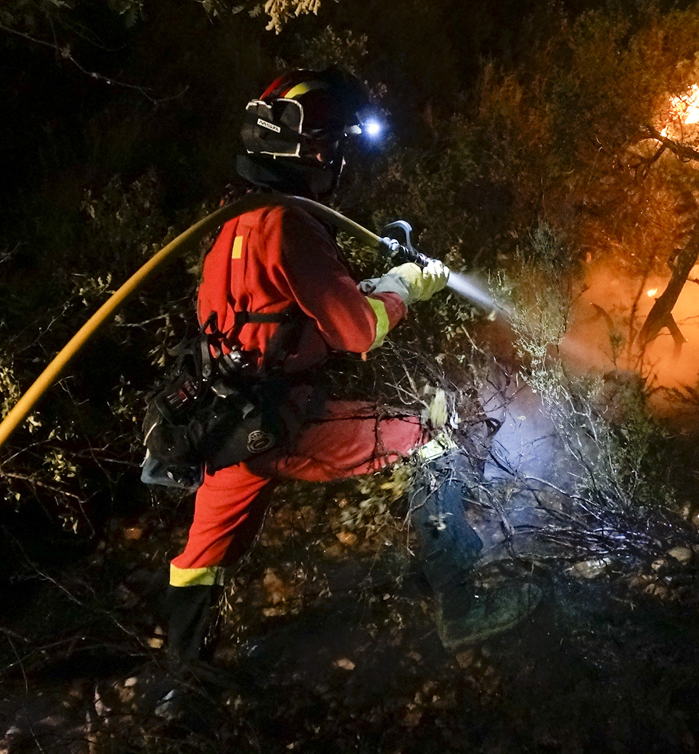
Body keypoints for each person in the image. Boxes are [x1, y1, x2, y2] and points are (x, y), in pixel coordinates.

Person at [156, 68, 540, 666]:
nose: (336, 158)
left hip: (223, 423)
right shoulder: (287, 223)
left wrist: (367, 287)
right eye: (333, 145)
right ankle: (459, 604)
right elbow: (358, 332)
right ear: (311, 150)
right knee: (431, 440)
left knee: (199, 560)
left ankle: (180, 680)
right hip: (280, 422)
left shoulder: (234, 223)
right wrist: (404, 288)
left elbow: (275, 321)